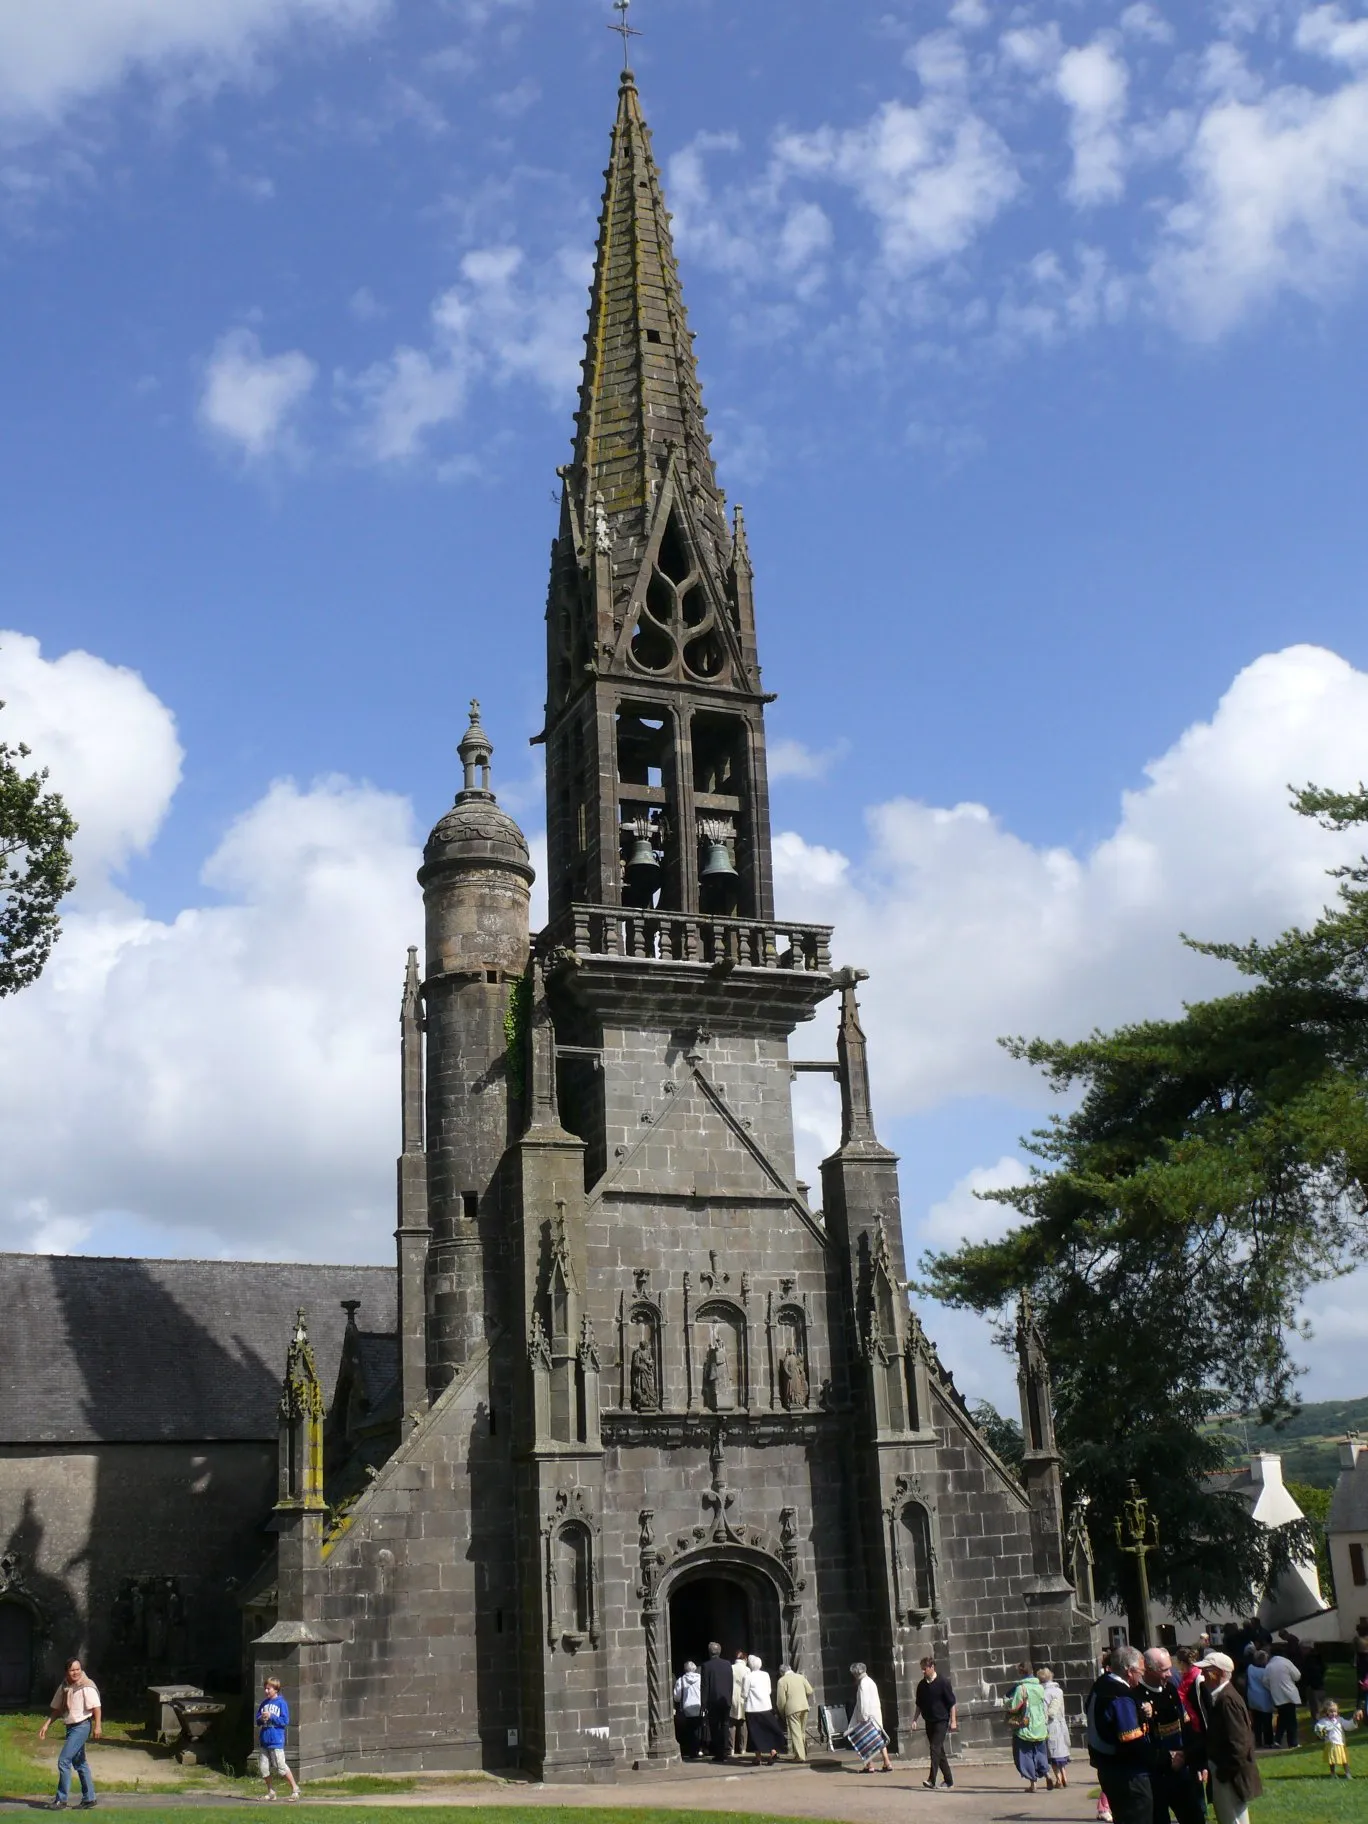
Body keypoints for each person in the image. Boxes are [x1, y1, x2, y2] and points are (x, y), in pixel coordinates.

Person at [1086, 1644, 1153, 1824]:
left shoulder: (1100, 1684)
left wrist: (1141, 1709)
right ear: (1129, 1671)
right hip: (1127, 1773)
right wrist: (1162, 1758)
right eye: (1141, 1671)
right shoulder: (1121, 1695)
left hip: (1107, 1767)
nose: (1142, 1675)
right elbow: (1131, 1739)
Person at [1196, 1652, 1261, 1824]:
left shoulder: (1227, 1700)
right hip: (1227, 1772)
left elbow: (1239, 1743)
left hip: (1230, 1775)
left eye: (1205, 1671)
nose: (1202, 1675)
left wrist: (1224, 1773)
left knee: (1232, 1819)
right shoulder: (1224, 1696)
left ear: (1216, 1673)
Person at [1141, 1647, 1203, 1824]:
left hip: (1181, 1766)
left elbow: (1185, 1725)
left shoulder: (1170, 1690)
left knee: (1194, 1817)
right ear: (1149, 1670)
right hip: (1156, 1773)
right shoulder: (1137, 1696)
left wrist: (1190, 1756)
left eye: (1170, 1668)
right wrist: (1166, 1758)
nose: (1170, 1674)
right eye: (1164, 1670)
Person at [38, 1659, 101, 1811]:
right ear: (66, 1671)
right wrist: (46, 1725)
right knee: (80, 1763)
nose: (76, 1672)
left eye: (78, 1669)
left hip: (82, 1726)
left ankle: (61, 1800)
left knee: (64, 1761)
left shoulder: (87, 1685)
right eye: (72, 1670)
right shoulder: (65, 1686)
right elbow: (58, 1709)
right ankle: (89, 1798)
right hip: (71, 1727)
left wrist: (98, 1726)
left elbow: (96, 1707)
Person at [913, 1654, 957, 1791]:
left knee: (934, 1748)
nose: (923, 1671)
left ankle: (932, 1779)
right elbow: (919, 1704)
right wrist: (914, 1719)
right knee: (939, 1751)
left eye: (924, 1669)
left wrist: (953, 1721)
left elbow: (952, 1703)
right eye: (921, 1669)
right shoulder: (921, 1685)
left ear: (932, 1667)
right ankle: (949, 1780)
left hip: (941, 1720)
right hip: (929, 1721)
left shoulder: (943, 1682)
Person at [254, 1675, 300, 1802]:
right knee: (263, 1768)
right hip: (264, 1740)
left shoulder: (281, 1703)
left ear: (276, 1689)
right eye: (265, 1688)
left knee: (281, 1766)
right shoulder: (264, 1703)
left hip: (276, 1740)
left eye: (269, 1688)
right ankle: (271, 1791)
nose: (266, 1691)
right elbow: (257, 1721)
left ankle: (295, 1789)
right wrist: (261, 1719)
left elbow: (285, 1721)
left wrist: (272, 1716)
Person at [1006, 1660, 1049, 1794]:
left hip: (1025, 1724)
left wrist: (1007, 1703)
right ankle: (1047, 1774)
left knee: (1026, 1754)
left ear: (1021, 1672)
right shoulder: (1040, 1687)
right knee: (1040, 1751)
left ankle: (1033, 1783)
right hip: (1040, 1724)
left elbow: (1014, 1706)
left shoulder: (1021, 1688)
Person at [847, 1662, 892, 1772]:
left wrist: (863, 1718)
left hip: (867, 1718)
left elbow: (864, 1703)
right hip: (875, 1716)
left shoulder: (863, 1684)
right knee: (879, 1740)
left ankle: (869, 1765)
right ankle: (887, 1762)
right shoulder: (870, 1681)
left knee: (866, 1741)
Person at [741, 1654, 784, 1764]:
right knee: (769, 1730)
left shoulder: (748, 1677)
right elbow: (769, 1691)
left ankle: (758, 1757)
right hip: (766, 1706)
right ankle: (772, 1752)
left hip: (752, 1709)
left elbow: (744, 1694)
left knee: (755, 1734)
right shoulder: (765, 1675)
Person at [1037, 1663, 1070, 1791]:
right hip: (1061, 1724)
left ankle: (1058, 1779)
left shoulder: (1043, 1693)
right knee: (1061, 1753)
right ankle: (1065, 1777)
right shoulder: (1059, 1691)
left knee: (1053, 1755)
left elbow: (1045, 1711)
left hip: (1049, 1725)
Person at [701, 1641, 734, 1763]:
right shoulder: (727, 1664)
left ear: (709, 1652)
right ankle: (725, 1750)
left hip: (713, 1701)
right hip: (726, 1701)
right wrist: (730, 1699)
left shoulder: (706, 1666)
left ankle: (719, 1753)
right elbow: (730, 1683)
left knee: (715, 1727)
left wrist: (703, 1704)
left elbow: (705, 1686)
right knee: (725, 1725)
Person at [774, 1661, 814, 1762]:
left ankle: (800, 1756)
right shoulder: (800, 1677)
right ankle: (799, 1753)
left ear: (781, 1672)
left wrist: (782, 1712)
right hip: (804, 1706)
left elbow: (780, 1700)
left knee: (796, 1733)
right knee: (801, 1732)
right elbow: (809, 1690)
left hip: (792, 1709)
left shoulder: (782, 1681)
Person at [1263, 1644, 1301, 1749]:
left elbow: (1265, 1681)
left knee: (1282, 1718)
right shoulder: (1287, 1663)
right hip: (1290, 1694)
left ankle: (1278, 1740)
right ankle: (1292, 1742)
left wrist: (1272, 1688)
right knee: (1291, 1719)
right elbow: (1297, 1676)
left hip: (1278, 1696)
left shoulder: (1269, 1666)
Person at [673, 1660, 704, 1760]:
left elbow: (676, 1697)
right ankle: (699, 1749)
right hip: (698, 1706)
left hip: (687, 1708)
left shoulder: (680, 1680)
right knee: (698, 1729)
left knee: (689, 1730)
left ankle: (691, 1751)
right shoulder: (700, 1679)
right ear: (694, 1668)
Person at [1242, 1651, 1273, 1749]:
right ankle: (1269, 1741)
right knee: (1267, 1721)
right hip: (1265, 1698)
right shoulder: (1267, 1671)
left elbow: (1245, 1683)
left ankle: (1258, 1741)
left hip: (1253, 1698)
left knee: (1257, 1722)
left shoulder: (1250, 1669)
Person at [1314, 1701, 1351, 1780]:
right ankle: (1333, 1773)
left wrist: (1354, 1721)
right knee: (1332, 1760)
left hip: (1340, 1743)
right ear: (1326, 1711)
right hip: (1331, 1744)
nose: (1333, 1713)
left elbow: (1347, 1725)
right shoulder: (1323, 1721)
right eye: (1331, 1711)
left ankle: (1348, 1774)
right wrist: (1323, 1733)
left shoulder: (1340, 1720)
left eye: (1335, 1711)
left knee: (1344, 1760)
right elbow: (1318, 1729)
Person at [1301, 1645, 1327, 1723]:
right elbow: (1324, 1668)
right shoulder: (1318, 1657)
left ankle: (1318, 1721)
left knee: (1315, 1706)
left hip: (1313, 1685)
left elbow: (1306, 1673)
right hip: (1320, 1684)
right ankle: (1321, 1719)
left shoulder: (1309, 1660)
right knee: (1319, 1704)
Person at [730, 1649, 748, 1757]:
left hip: (732, 1697)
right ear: (744, 1658)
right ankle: (743, 1748)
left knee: (731, 1724)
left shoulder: (730, 1668)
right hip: (743, 1698)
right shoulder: (747, 1670)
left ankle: (731, 1748)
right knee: (743, 1723)